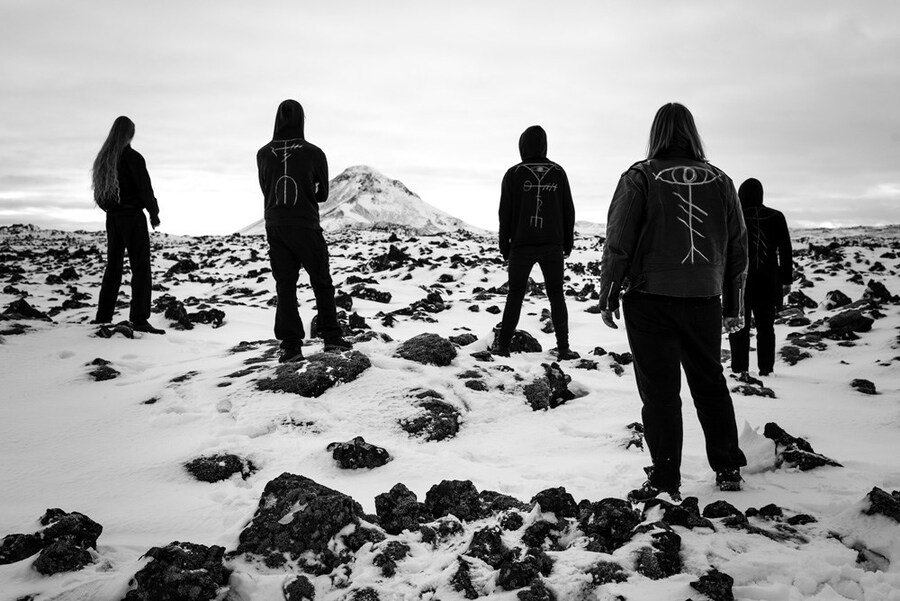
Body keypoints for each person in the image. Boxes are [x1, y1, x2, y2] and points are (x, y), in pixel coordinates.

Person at [597, 103, 748, 500]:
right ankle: (728, 466)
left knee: (660, 392)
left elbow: (619, 239)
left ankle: (665, 479)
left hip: (649, 298)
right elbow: (737, 246)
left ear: (657, 132)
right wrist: (733, 304)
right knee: (710, 382)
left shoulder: (640, 176)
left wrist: (609, 292)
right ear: (692, 133)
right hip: (704, 296)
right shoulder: (720, 180)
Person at [257, 99, 351, 362]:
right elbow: (323, 194)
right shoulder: (314, 153)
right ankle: (332, 338)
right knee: (321, 281)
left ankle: (290, 346)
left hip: (275, 224)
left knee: (285, 286)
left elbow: (266, 188)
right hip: (305, 223)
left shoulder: (263, 154)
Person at [493, 125, 577, 359]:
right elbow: (568, 210)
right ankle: (564, 348)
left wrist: (504, 245)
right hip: (552, 245)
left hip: (521, 245)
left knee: (516, 295)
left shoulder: (514, 173)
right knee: (556, 295)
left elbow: (505, 212)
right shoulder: (558, 172)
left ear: (522, 145)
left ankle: (503, 347)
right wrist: (567, 243)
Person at [92, 116, 164, 334]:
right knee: (140, 268)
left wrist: (112, 211)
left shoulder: (104, 158)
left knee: (113, 266)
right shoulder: (133, 157)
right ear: (129, 133)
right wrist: (153, 213)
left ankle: (103, 316)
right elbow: (145, 187)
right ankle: (139, 318)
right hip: (133, 216)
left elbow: (100, 195)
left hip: (113, 218)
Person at [728, 178, 792, 377]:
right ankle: (766, 369)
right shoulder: (776, 216)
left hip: (740, 282)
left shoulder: (734, 217)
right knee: (766, 327)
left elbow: (724, 250)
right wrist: (786, 280)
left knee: (739, 326)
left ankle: (740, 369)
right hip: (768, 281)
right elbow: (786, 250)